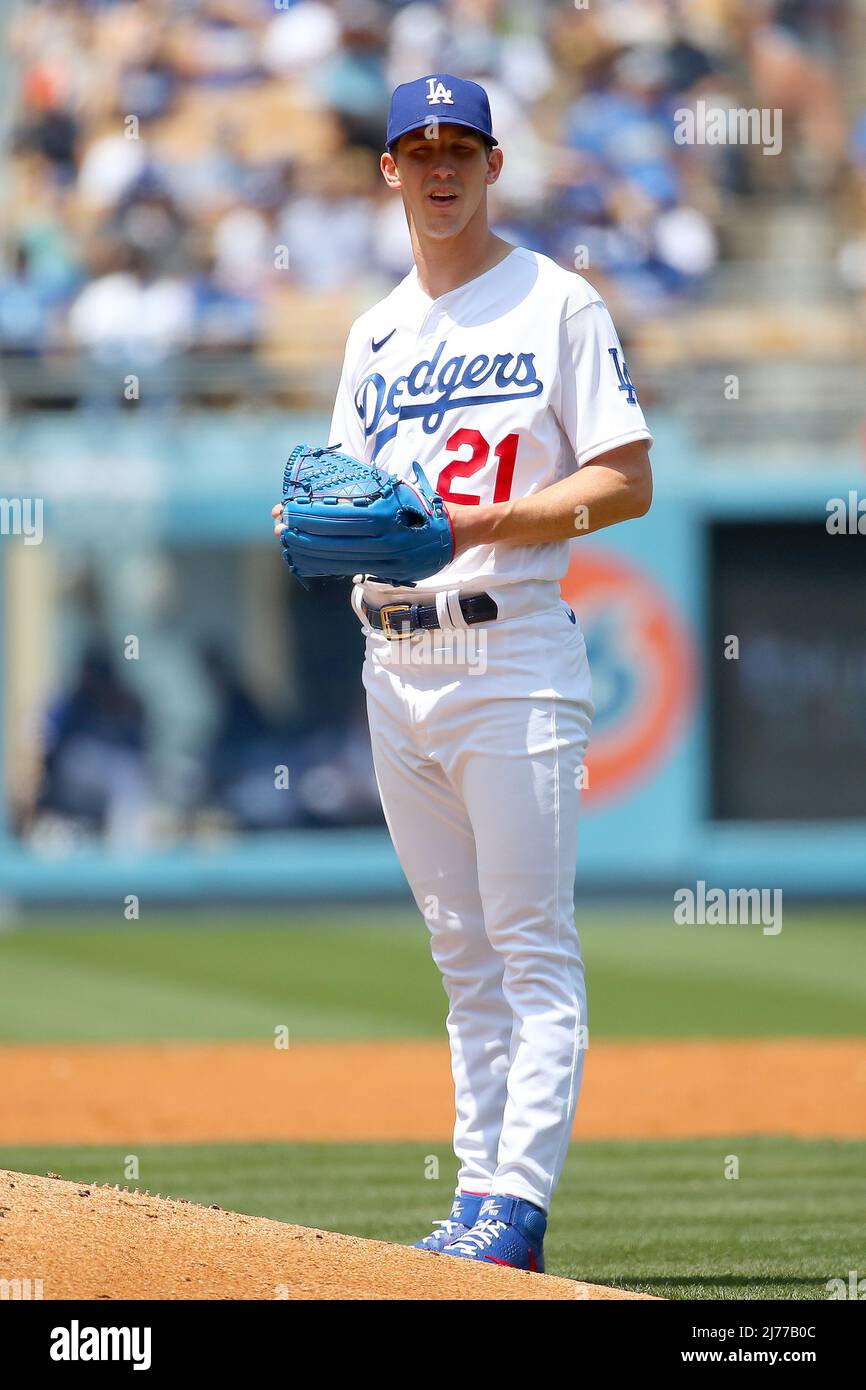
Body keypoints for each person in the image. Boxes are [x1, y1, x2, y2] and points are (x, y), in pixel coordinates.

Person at [274, 74, 653, 1273]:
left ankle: (518, 1208)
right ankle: (476, 1194)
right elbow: (340, 487)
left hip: (509, 652)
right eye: (415, 148)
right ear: (386, 170)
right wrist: (316, 522)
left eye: (459, 148)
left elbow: (625, 479)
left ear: (492, 164)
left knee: (530, 942)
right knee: (461, 957)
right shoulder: (375, 331)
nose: (438, 167)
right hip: (397, 662)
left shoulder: (555, 301)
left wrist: (477, 519)